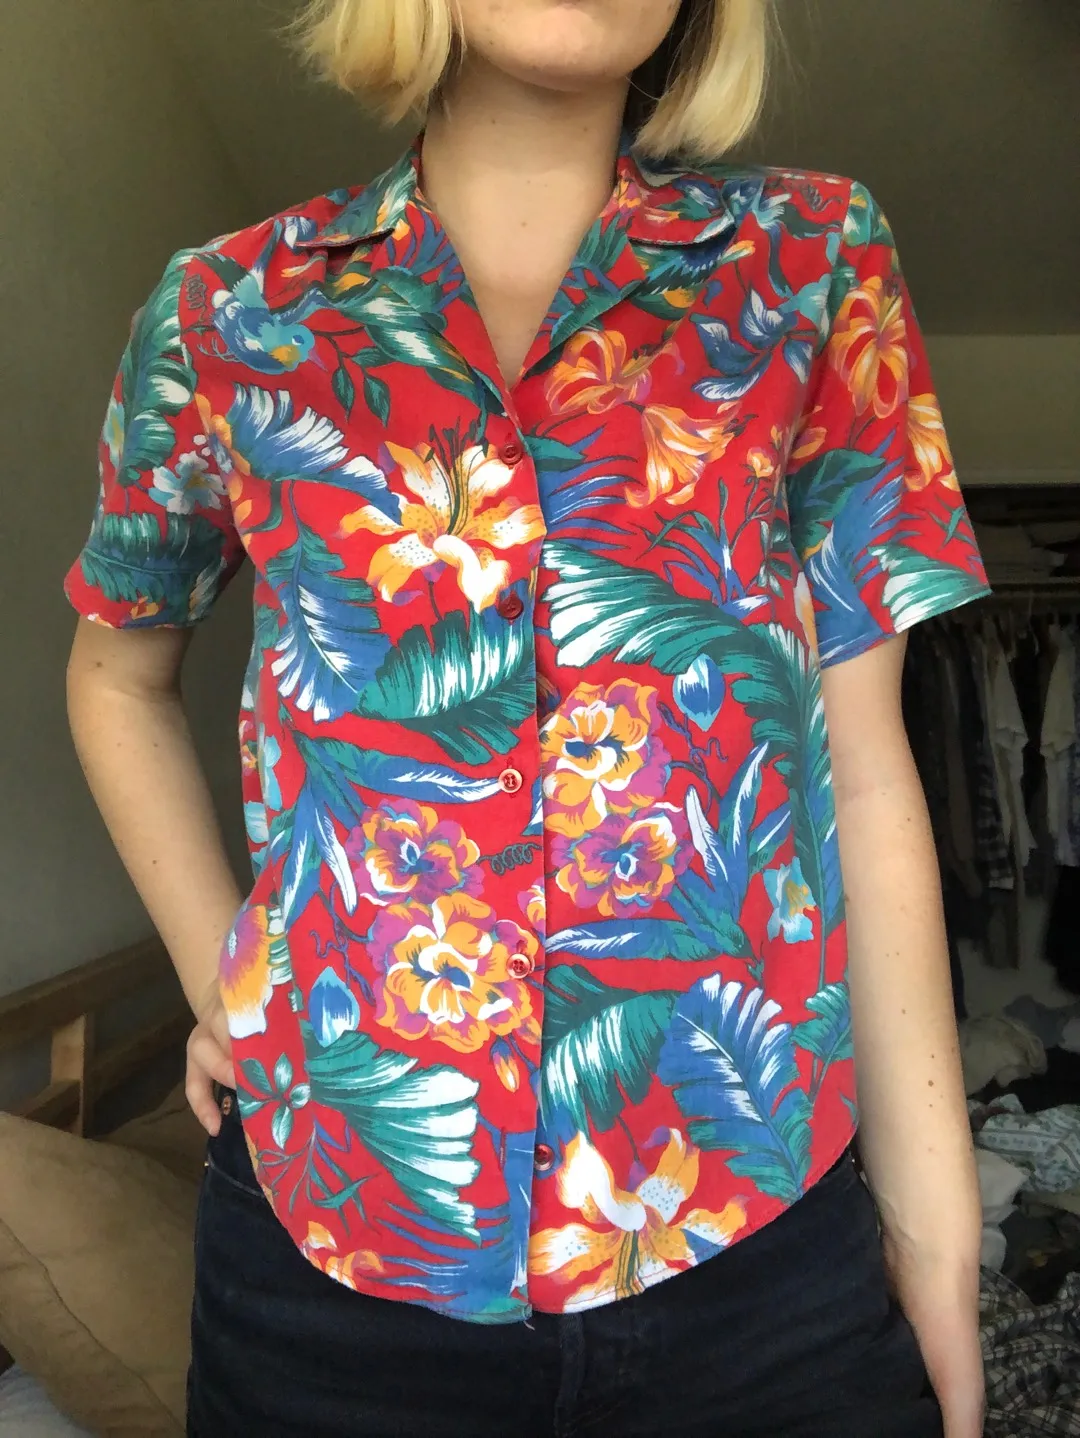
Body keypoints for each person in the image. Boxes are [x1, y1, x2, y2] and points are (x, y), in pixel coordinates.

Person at [64, 1, 990, 1433]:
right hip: (331, 1268)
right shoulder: (226, 312)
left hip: (756, 1251)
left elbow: (866, 769)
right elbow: (116, 673)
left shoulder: (813, 263)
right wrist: (225, 976)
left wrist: (940, 1233)